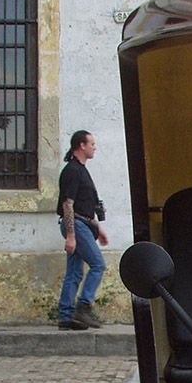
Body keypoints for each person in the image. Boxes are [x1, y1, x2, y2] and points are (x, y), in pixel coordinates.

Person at [56, 130, 109, 330]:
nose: (94, 147)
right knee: (98, 265)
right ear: (82, 145)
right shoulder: (73, 170)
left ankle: (66, 316)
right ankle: (83, 307)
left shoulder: (81, 170)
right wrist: (71, 235)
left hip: (83, 224)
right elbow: (68, 204)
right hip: (76, 226)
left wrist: (98, 228)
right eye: (92, 144)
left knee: (74, 272)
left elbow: (84, 206)